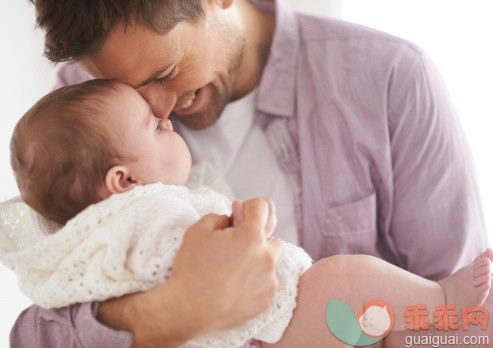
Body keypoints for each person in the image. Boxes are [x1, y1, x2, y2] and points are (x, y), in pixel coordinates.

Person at [11, 0, 489, 346]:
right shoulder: (80, 115)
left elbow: (462, 325)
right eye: (124, 88)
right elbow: (36, 328)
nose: (158, 108)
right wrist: (175, 310)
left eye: (164, 72)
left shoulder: (390, 80)